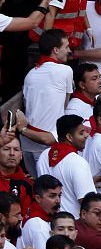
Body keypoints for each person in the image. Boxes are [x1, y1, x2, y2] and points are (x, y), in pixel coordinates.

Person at [20, 29, 73, 174]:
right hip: (45, 143)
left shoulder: (30, 74)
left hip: (26, 143)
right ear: (56, 50)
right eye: (66, 47)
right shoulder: (65, 71)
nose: (69, 50)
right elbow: (65, 103)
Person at [36, 115, 95, 219]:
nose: (86, 135)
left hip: (50, 221)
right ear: (69, 137)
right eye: (81, 133)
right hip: (72, 224)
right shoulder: (78, 162)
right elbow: (87, 202)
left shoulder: (44, 156)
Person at [18, 175, 62, 249]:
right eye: (52, 196)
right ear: (38, 198)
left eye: (59, 195)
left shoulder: (33, 213)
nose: (58, 200)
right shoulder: (38, 226)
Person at [0, 135, 32, 217]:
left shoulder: (27, 184)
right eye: (6, 149)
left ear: (21, 155)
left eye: (16, 149)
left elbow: (25, 217)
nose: (12, 153)